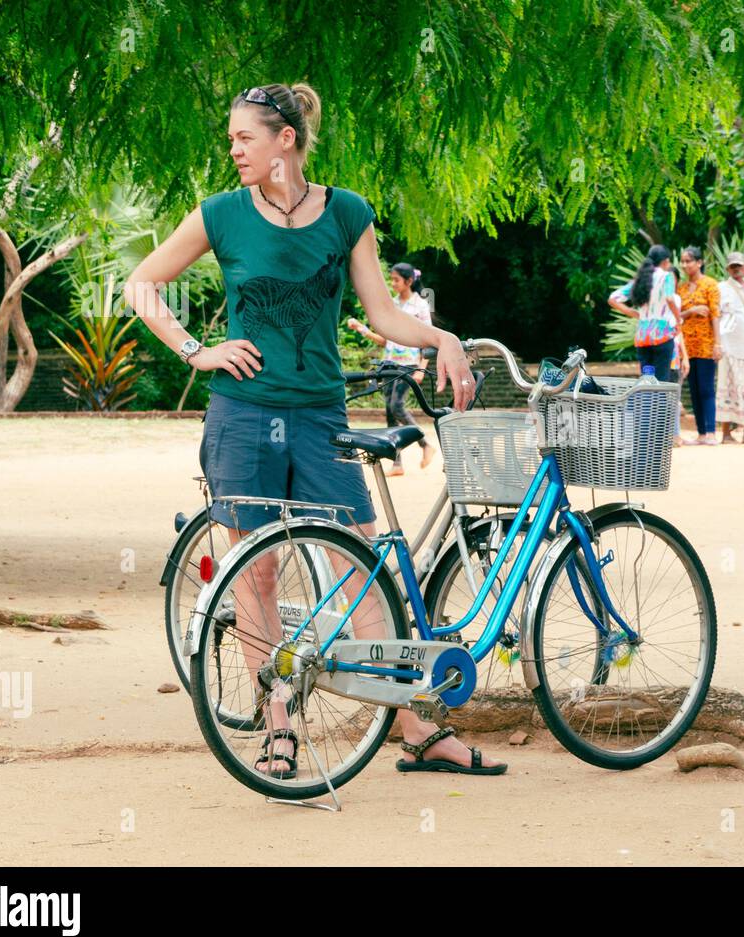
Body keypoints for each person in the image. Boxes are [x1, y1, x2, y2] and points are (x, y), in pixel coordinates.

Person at [123, 82, 501, 777]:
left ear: (285, 141)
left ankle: (411, 727)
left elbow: (383, 313)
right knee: (256, 570)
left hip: (322, 414)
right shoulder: (222, 215)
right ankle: (277, 724)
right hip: (243, 413)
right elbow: (142, 283)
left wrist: (441, 337)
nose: (234, 149)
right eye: (232, 139)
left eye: (245, 138)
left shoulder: (347, 213)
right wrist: (195, 351)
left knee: (362, 569)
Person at [348, 262, 436, 476]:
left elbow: (428, 339)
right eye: (392, 279)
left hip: (409, 365)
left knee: (397, 405)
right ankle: (397, 464)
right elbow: (386, 341)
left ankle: (425, 445)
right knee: (389, 410)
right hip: (389, 364)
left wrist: (421, 369)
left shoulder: (420, 306)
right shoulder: (394, 305)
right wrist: (362, 330)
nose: (393, 283)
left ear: (409, 281)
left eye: (396, 279)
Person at [608, 244, 681, 382]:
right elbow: (670, 299)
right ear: (665, 261)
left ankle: (646, 404)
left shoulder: (641, 279)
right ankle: (660, 404)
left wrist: (633, 313)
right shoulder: (667, 277)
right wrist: (678, 320)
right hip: (662, 336)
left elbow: (613, 299)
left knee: (647, 381)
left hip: (643, 337)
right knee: (661, 381)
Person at [715, 250, 744, 443]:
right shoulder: (721, 288)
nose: (736, 269)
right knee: (728, 387)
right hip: (728, 346)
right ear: (728, 268)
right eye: (733, 266)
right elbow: (716, 316)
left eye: (739, 265)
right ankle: (726, 433)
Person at [677, 246, 721, 444]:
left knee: (705, 388)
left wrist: (717, 344)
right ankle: (701, 433)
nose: (685, 265)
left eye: (689, 261)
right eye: (683, 261)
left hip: (705, 344)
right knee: (693, 389)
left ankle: (711, 432)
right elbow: (676, 315)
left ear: (699, 262)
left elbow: (715, 315)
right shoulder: (681, 288)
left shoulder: (710, 285)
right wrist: (691, 310)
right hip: (686, 346)